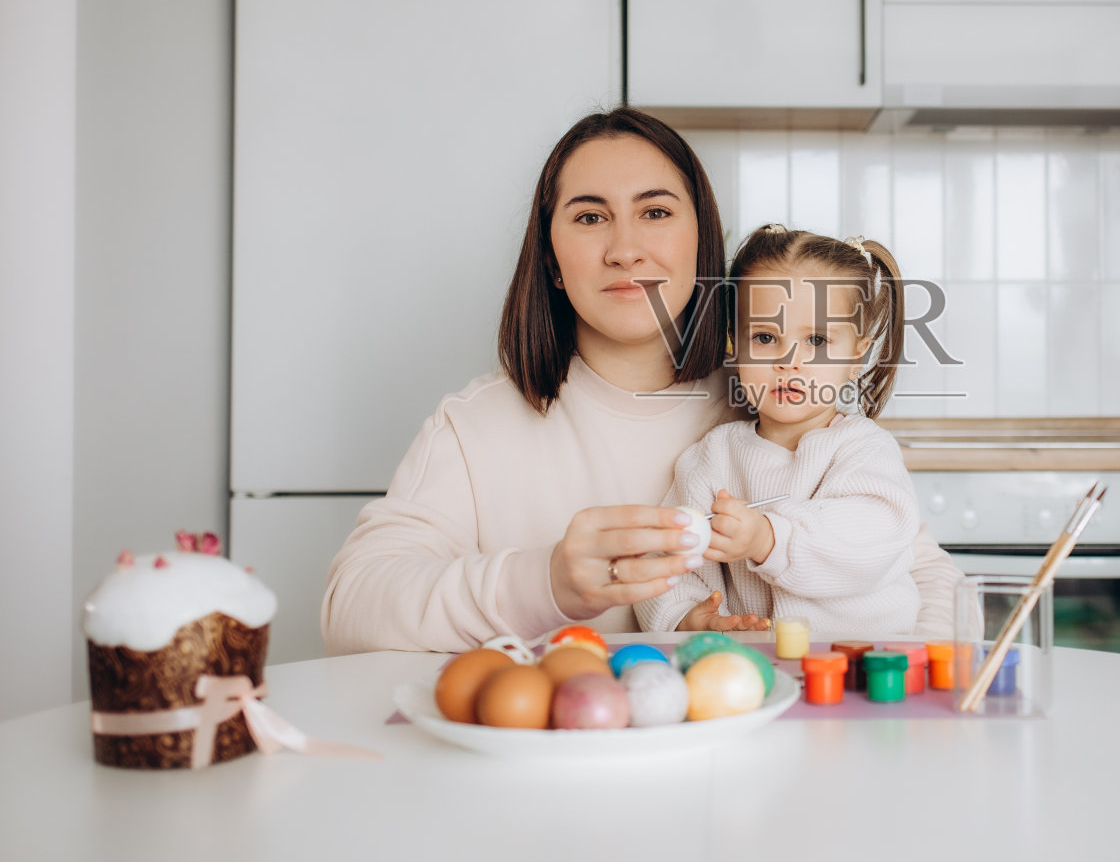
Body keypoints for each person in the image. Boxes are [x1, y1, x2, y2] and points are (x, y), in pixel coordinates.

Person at [321, 108, 964, 654]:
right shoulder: (476, 424)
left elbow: (920, 576)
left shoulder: (778, 403)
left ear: (700, 239)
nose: (625, 248)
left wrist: (908, 698)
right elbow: (350, 609)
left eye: (654, 212)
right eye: (590, 216)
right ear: (552, 262)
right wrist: (546, 582)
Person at [637, 226, 919, 634]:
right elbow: (667, 555)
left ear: (856, 355)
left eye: (817, 340)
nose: (790, 360)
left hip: (865, 659)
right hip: (759, 666)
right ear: (735, 345)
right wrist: (687, 616)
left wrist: (769, 538)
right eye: (766, 337)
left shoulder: (863, 448)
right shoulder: (715, 456)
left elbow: (874, 535)